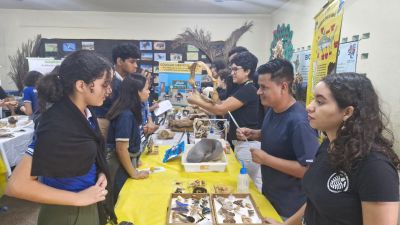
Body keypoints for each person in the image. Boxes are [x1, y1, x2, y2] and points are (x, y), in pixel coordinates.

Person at [265, 73, 400, 225]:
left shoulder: (374, 166)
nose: (309, 107)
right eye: (313, 99)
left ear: (347, 112)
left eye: (320, 102)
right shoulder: (328, 145)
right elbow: (315, 202)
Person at [5, 50, 116, 225]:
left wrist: (100, 173)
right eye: (105, 84)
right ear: (81, 85)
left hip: (87, 205)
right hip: (68, 213)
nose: (109, 90)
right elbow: (17, 185)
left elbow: (90, 153)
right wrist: (77, 198)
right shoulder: (58, 124)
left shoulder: (85, 114)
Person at [236, 58, 319, 219]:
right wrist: (256, 133)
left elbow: (309, 170)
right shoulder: (273, 109)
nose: (258, 92)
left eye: (263, 87)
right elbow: (282, 138)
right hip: (270, 198)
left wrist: (266, 160)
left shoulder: (300, 122)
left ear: (283, 87)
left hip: (289, 209)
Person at [187, 51, 262, 190]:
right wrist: (202, 100)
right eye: (231, 68)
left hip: (247, 145)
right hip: (238, 143)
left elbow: (221, 109)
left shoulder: (249, 89)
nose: (232, 72)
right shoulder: (240, 87)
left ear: (247, 71)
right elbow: (221, 105)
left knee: (247, 187)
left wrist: (196, 100)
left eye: (235, 69)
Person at [106, 74, 150, 201]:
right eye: (146, 89)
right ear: (137, 92)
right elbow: (121, 149)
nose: (148, 92)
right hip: (118, 168)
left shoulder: (130, 111)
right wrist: (134, 173)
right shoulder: (125, 115)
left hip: (126, 163)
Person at [93, 43, 140, 138]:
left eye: (136, 62)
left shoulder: (130, 81)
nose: (136, 66)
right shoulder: (107, 81)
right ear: (119, 61)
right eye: (132, 62)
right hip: (105, 132)